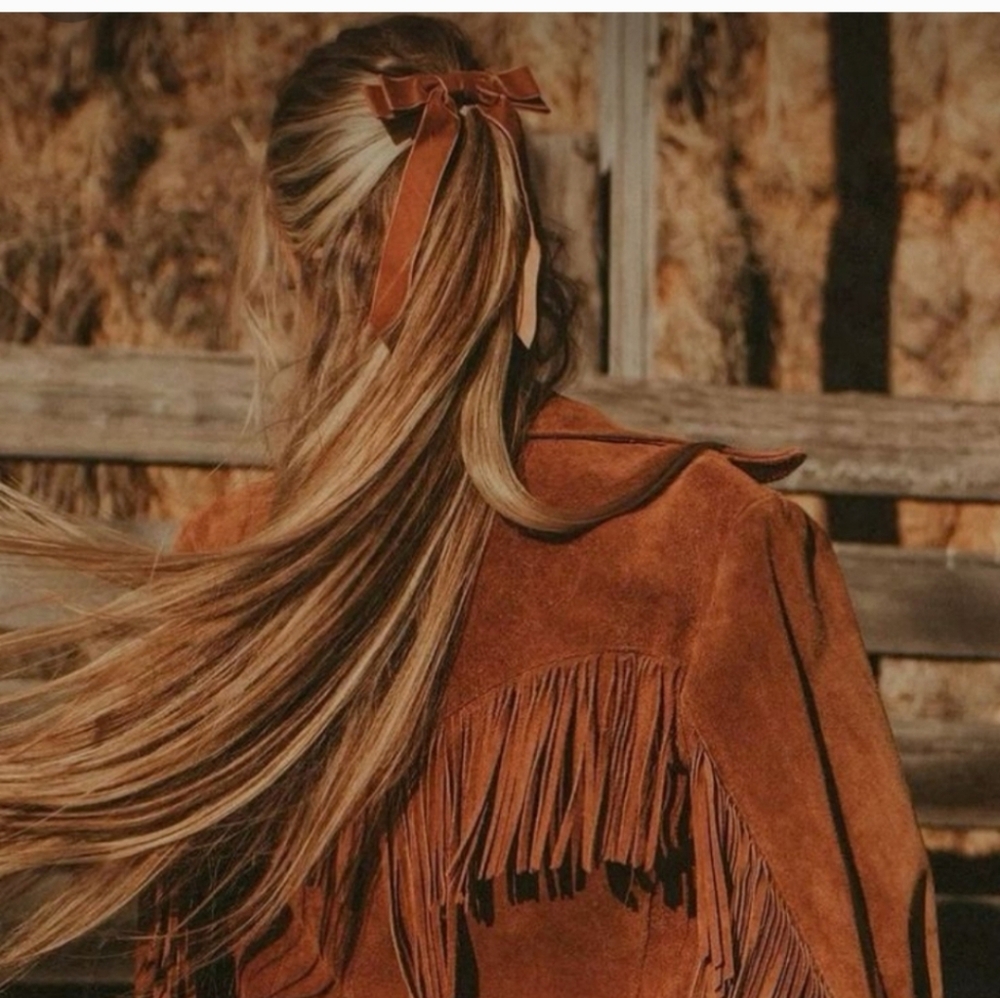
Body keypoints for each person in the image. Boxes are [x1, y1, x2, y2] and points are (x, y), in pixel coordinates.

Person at [0, 14, 941, 998]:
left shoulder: (230, 566)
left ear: (284, 256)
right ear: (518, 229)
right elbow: (849, 951)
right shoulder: (711, 544)